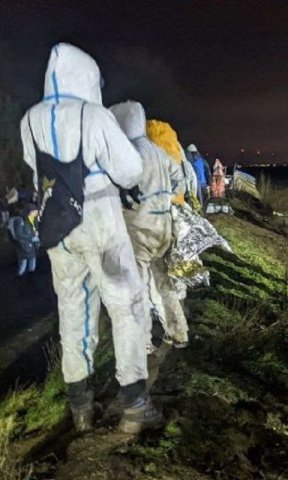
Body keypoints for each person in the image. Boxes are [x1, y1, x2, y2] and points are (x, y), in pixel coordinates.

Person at [20, 43, 162, 434]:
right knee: (126, 304)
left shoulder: (28, 119)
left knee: (72, 311)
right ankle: (135, 404)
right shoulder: (93, 114)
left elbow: (36, 169)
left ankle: (80, 407)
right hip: (99, 221)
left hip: (56, 227)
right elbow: (130, 171)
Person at [110, 101, 189, 351]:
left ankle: (142, 342)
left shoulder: (127, 154)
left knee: (138, 288)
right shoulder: (158, 151)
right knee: (164, 282)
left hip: (139, 231)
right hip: (163, 228)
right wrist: (163, 199)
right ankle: (179, 332)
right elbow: (180, 182)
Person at [7, 203, 40, 284]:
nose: (36, 213)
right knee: (23, 265)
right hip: (23, 246)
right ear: (29, 211)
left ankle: (30, 281)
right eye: (34, 211)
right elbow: (19, 235)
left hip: (32, 246)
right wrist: (32, 237)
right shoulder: (20, 221)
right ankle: (19, 281)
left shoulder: (33, 220)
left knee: (32, 264)